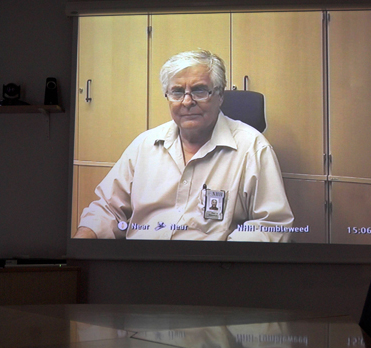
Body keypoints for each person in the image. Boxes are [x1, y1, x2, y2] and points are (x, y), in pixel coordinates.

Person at [74, 49, 293, 241]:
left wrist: (225, 260)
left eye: (199, 90)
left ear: (219, 96)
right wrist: (83, 239)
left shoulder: (253, 148)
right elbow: (107, 208)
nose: (187, 102)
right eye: (177, 92)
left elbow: (273, 225)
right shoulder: (144, 145)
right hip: (142, 267)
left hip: (212, 274)